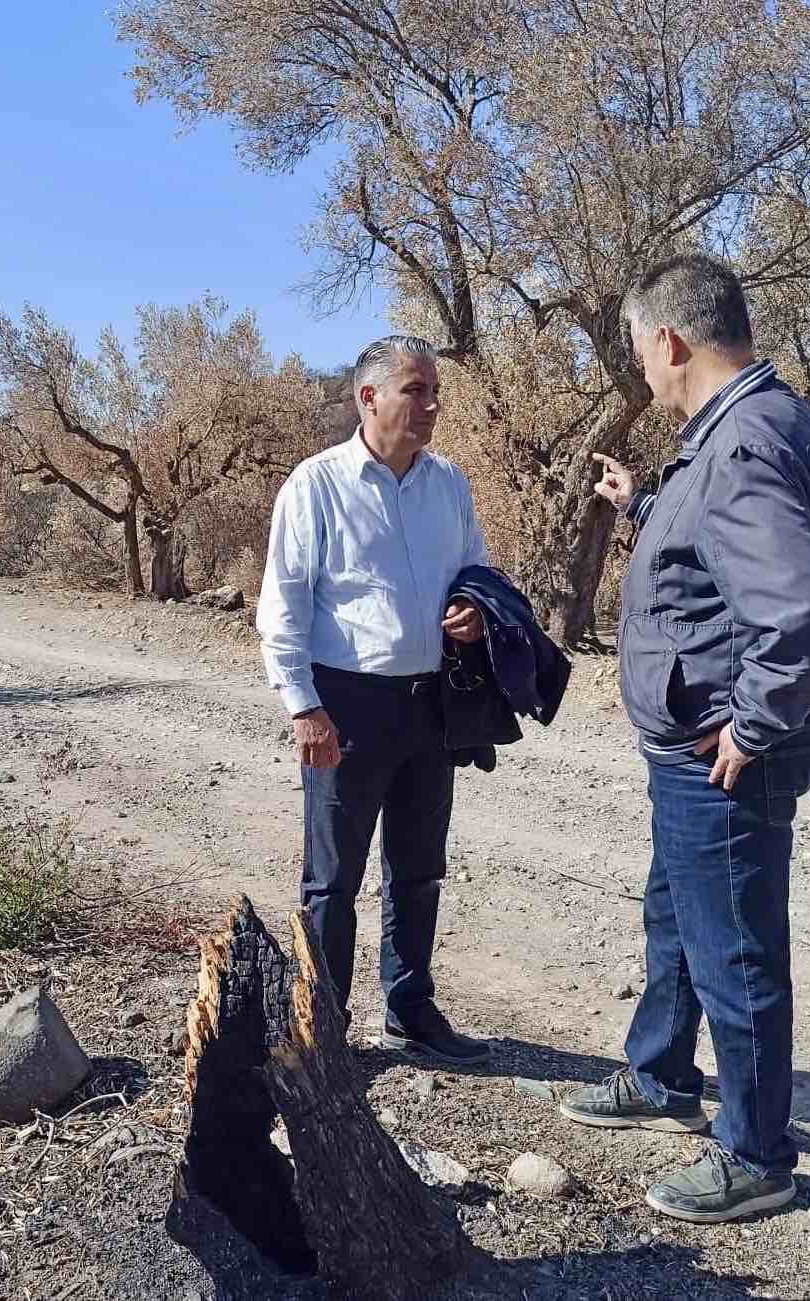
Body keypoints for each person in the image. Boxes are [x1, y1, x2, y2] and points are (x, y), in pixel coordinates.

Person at [559, 254, 810, 1223]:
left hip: (726, 749)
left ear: (671, 341)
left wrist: (754, 726)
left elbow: (795, 615)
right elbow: (721, 555)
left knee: (735, 951)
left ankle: (757, 1153)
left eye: (642, 352)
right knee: (676, 916)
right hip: (698, 745)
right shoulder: (754, 424)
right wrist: (640, 503)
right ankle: (661, 1073)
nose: (643, 371)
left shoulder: (738, 445)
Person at [257, 335, 493, 1065]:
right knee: (332, 878)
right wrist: (302, 705)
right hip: (345, 706)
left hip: (430, 703)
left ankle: (409, 1010)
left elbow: (477, 569)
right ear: (369, 397)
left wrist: (473, 608)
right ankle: (322, 1027)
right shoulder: (315, 485)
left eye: (433, 393)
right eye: (414, 391)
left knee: (418, 867)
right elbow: (282, 607)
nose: (429, 405)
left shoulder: (448, 483)